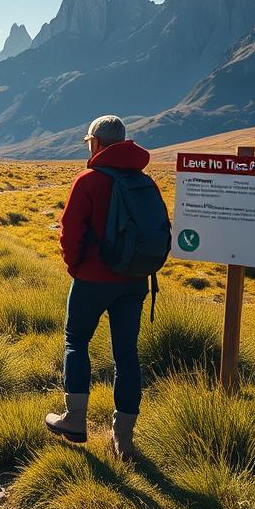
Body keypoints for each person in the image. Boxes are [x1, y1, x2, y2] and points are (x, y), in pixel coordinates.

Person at [45, 115, 164, 460]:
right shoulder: (145, 181)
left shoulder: (88, 180)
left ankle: (75, 420)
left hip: (93, 280)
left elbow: (70, 233)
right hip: (135, 280)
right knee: (126, 355)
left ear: (96, 143)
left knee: (76, 340)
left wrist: (78, 268)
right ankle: (123, 440)